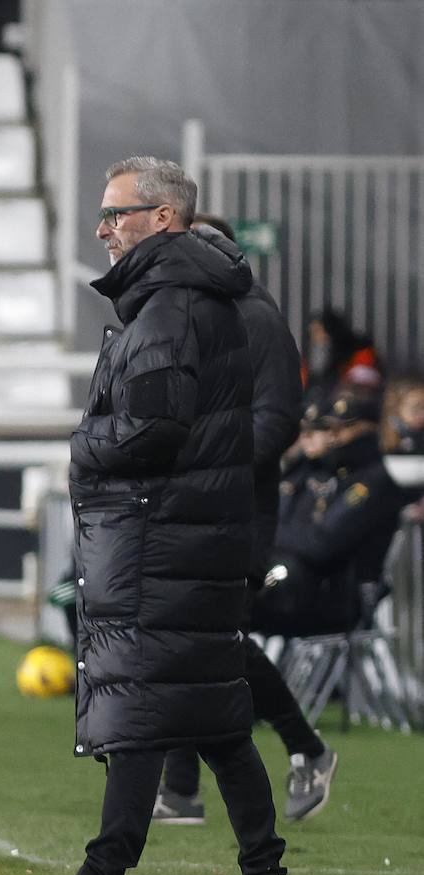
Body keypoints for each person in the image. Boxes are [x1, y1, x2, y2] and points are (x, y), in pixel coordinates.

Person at [17, 157, 302, 875]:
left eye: (116, 215)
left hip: (160, 542)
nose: (104, 230)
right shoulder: (202, 298)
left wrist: (83, 445)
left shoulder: (169, 306)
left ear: (164, 220)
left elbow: (153, 429)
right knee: (217, 722)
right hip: (196, 537)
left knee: (139, 718)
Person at [153, 214, 333, 825]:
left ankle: (304, 748)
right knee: (189, 641)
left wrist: (204, 460)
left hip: (238, 514)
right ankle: (184, 789)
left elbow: (278, 422)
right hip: (197, 508)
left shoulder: (256, 320)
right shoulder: (200, 321)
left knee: (210, 641)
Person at [256, 388, 406, 639]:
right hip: (295, 585)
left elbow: (322, 542)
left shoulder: (371, 479)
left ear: (367, 428)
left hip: (332, 598)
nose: (331, 438)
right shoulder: (308, 469)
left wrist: (265, 531)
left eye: (337, 430)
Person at [301, 307, 380, 399]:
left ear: (329, 330)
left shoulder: (361, 352)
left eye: (317, 331)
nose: (314, 337)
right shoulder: (329, 354)